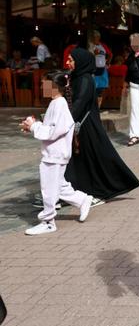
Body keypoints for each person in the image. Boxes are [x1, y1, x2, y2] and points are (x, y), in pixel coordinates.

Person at [20, 71, 94, 235]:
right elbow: (52, 128)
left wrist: (34, 126)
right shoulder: (57, 103)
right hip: (54, 153)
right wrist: (32, 127)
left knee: (49, 188)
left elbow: (55, 131)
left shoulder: (59, 104)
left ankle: (48, 221)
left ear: (54, 86)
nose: (41, 86)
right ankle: (82, 200)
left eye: (44, 83)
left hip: (55, 154)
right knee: (58, 186)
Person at [64, 48, 139, 202]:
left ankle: (107, 186)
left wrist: (64, 119)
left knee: (97, 157)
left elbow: (79, 104)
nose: (68, 62)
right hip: (80, 126)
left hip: (86, 126)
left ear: (80, 62)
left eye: (71, 60)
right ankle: (73, 190)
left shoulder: (85, 79)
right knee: (81, 159)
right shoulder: (76, 77)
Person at [89, 31, 112, 109]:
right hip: (93, 69)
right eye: (95, 37)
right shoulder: (90, 46)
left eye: (98, 37)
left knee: (100, 90)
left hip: (102, 69)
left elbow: (110, 54)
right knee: (93, 89)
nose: (96, 38)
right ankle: (92, 108)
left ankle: (97, 108)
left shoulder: (103, 45)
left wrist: (107, 63)